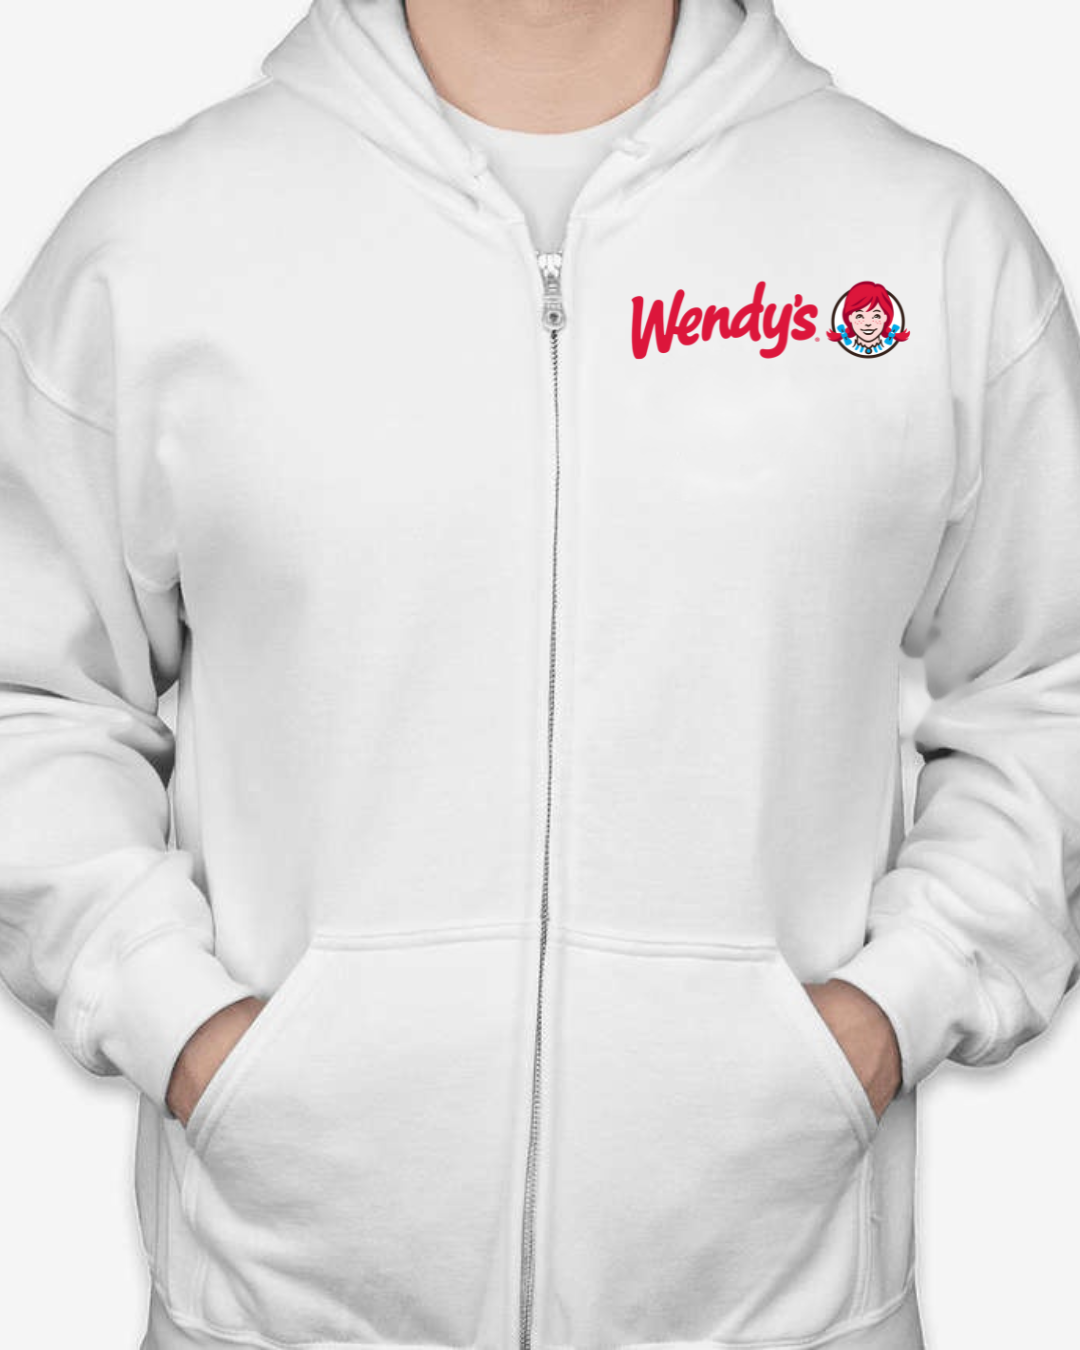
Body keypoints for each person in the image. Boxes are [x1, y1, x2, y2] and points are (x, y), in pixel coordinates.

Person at [1, 1, 1078, 1347]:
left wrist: (895, 1005)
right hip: (280, 1304)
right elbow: (33, 697)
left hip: (783, 1305)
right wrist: (187, 1031)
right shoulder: (159, 246)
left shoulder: (928, 246)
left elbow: (1050, 686)